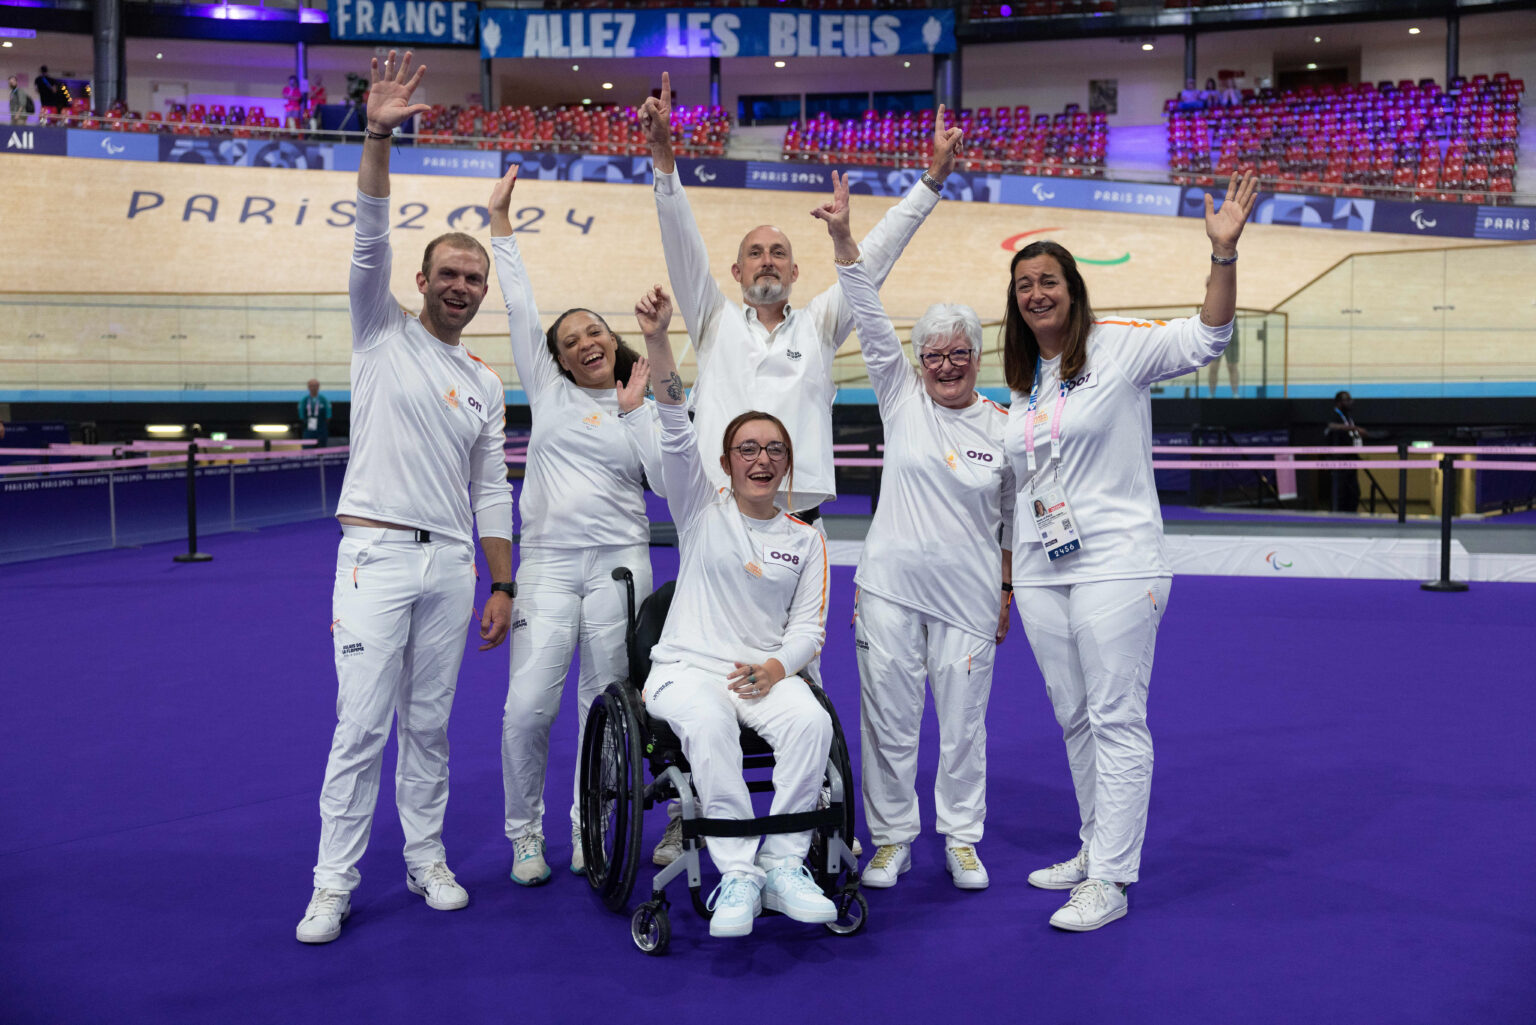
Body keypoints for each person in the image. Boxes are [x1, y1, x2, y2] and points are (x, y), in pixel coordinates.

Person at [640, 71, 957, 864]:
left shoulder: (821, 323)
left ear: (795, 266)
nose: (769, 258)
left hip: (798, 523)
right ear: (739, 272)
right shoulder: (712, 320)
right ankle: (696, 803)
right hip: (714, 517)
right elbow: (681, 245)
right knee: (711, 660)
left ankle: (797, 810)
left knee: (796, 676)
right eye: (755, 252)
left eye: (781, 249)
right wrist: (663, 161)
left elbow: (870, 263)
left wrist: (930, 182)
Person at [296, 51, 515, 946]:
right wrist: (378, 135)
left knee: (429, 725)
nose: (462, 286)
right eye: (449, 275)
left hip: (453, 565)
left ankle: (426, 857)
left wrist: (504, 585)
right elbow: (368, 236)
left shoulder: (484, 380)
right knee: (361, 727)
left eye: (475, 278)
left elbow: (491, 489)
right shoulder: (378, 329)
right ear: (421, 282)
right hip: (377, 555)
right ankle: (331, 883)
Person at [1004, 171, 1258, 932]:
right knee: (1073, 715)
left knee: (1115, 717)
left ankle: (1112, 879)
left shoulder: (1119, 347)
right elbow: (1023, 484)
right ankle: (1092, 847)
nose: (1036, 293)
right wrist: (1011, 577)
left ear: (1074, 290)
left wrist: (1222, 255)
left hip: (1118, 562)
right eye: (1023, 285)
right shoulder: (1025, 380)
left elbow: (1209, 337)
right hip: (1047, 571)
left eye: (1048, 280)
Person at [812, 171, 1014, 892]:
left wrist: (1007, 587)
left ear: (977, 357)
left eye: (960, 353)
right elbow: (865, 309)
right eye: (935, 354)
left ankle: (962, 838)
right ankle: (892, 838)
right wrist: (842, 239)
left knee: (963, 727)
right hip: (890, 590)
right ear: (919, 360)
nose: (947, 364)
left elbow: (1013, 516)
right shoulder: (900, 397)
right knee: (889, 722)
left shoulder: (1003, 426)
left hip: (967, 594)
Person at [629, 282, 837, 940]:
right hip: (686, 670)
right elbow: (670, 417)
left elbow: (809, 629)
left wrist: (779, 668)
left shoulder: (807, 540)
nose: (761, 459)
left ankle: (784, 865)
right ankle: (738, 872)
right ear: (724, 462)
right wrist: (660, 340)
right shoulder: (700, 508)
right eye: (747, 448)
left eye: (773, 450)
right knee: (710, 720)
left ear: (788, 467)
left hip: (762, 675)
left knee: (810, 721)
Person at [487, 164, 667, 886]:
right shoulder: (550, 395)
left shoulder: (642, 399)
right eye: (570, 340)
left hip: (622, 565)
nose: (585, 342)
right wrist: (501, 225)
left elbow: (662, 476)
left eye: (595, 330)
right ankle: (524, 834)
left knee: (607, 707)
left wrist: (637, 409)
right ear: (555, 360)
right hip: (550, 566)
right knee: (528, 707)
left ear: (610, 337)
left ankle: (589, 829)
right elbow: (520, 305)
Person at [1325, 389, 1364, 513]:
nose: (1350, 402)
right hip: (1339, 462)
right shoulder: (1334, 415)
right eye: (1347, 400)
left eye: (1350, 399)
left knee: (1354, 493)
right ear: (1339, 402)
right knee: (1340, 493)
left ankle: (1351, 516)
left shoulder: (1348, 417)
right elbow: (1331, 426)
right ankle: (1337, 518)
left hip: (1350, 460)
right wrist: (1352, 428)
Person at [298, 379, 332, 447]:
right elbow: (301, 415)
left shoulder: (323, 399)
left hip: (321, 426)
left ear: (318, 387)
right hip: (309, 426)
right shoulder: (304, 400)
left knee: (322, 445)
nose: (313, 388)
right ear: (308, 387)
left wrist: (323, 423)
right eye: (311, 386)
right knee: (307, 445)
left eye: (315, 386)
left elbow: (328, 414)